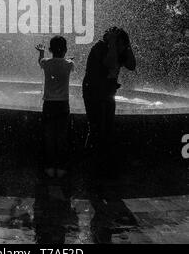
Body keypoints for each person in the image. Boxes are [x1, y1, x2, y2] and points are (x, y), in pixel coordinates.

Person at [82, 27, 136, 173]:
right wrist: (113, 43)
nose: (122, 48)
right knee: (96, 127)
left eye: (123, 44)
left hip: (107, 93)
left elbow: (131, 65)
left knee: (108, 127)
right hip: (92, 92)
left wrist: (127, 46)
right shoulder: (100, 47)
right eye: (120, 43)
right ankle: (91, 164)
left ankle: (105, 162)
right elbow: (110, 63)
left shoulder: (120, 48)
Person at [36, 36, 75, 178]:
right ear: (65, 50)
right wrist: (67, 59)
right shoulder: (69, 64)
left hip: (49, 104)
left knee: (49, 136)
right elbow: (66, 64)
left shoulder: (46, 63)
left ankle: (49, 167)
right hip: (63, 104)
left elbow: (41, 61)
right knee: (62, 136)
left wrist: (41, 52)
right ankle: (61, 167)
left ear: (50, 49)